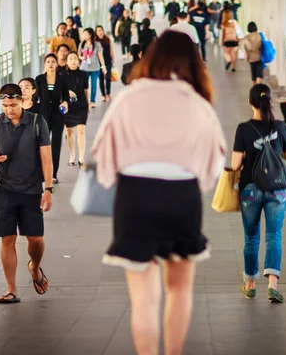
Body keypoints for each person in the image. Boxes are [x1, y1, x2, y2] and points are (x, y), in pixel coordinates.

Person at [92, 30, 226, 355]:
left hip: (135, 196)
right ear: (193, 63)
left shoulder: (129, 96)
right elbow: (215, 159)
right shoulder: (197, 102)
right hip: (182, 195)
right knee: (179, 290)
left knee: (143, 299)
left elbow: (102, 152)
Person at [0, 83, 53, 304]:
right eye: (4, 105)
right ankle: (11, 289)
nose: (9, 109)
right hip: (4, 190)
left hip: (31, 190)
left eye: (12, 104)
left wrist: (47, 189)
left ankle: (35, 266)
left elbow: (47, 159)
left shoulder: (37, 123)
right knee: (7, 239)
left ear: (22, 100)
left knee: (36, 240)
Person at [231, 84, 286, 303]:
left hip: (250, 188)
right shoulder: (279, 126)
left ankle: (249, 284)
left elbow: (235, 163)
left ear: (250, 102)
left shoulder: (243, 129)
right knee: (274, 235)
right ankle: (272, 285)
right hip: (276, 189)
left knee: (251, 237)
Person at [35, 54, 69, 185]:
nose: (50, 64)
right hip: (43, 115)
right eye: (48, 61)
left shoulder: (62, 80)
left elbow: (66, 98)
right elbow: (35, 97)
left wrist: (65, 103)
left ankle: (53, 174)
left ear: (56, 64)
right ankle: (40, 172)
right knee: (42, 144)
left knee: (55, 144)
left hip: (57, 115)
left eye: (53, 62)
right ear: (44, 64)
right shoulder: (39, 79)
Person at [63, 52, 90, 167]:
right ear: (66, 61)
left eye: (75, 58)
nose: (73, 61)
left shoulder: (84, 75)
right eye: (70, 59)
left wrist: (88, 104)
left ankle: (81, 157)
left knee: (81, 130)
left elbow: (86, 90)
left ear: (78, 61)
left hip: (81, 106)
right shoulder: (62, 75)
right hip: (68, 107)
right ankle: (72, 155)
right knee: (69, 132)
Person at [78, 27, 107, 108]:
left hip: (95, 68)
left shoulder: (97, 44)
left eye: (86, 34)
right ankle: (85, 101)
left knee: (94, 85)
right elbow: (79, 55)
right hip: (84, 68)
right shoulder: (82, 44)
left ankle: (92, 101)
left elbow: (100, 56)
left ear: (90, 35)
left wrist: (103, 67)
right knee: (84, 85)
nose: (84, 36)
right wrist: (82, 58)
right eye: (83, 34)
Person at [96, 26, 114, 102]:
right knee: (101, 78)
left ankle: (108, 93)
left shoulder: (107, 39)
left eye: (101, 30)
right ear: (96, 33)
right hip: (98, 62)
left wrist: (113, 59)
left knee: (108, 77)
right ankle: (103, 94)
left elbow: (111, 50)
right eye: (98, 31)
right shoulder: (95, 41)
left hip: (108, 61)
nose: (100, 32)